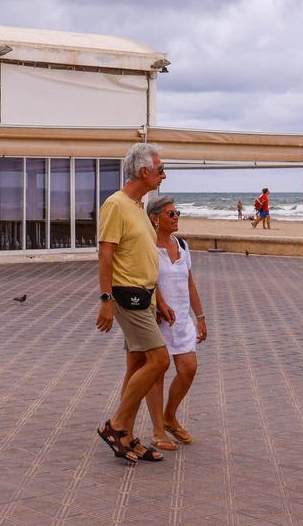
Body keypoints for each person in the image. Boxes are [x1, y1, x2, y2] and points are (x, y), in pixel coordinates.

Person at [95, 142, 176, 464]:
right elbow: (105, 254)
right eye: (160, 170)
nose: (163, 175)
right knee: (159, 361)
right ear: (144, 171)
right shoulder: (115, 204)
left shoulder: (139, 206)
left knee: (137, 364)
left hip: (146, 296)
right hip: (128, 295)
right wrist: (105, 301)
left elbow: (142, 255)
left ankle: (125, 434)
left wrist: (161, 300)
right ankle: (116, 425)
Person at [143, 195, 207, 451]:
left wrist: (200, 317)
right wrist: (159, 302)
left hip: (182, 319)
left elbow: (189, 283)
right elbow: (146, 280)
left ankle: (170, 415)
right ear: (155, 219)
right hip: (158, 320)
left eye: (177, 212)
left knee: (188, 368)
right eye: (171, 214)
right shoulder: (147, 247)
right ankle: (158, 431)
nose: (176, 217)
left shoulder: (181, 245)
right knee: (157, 372)